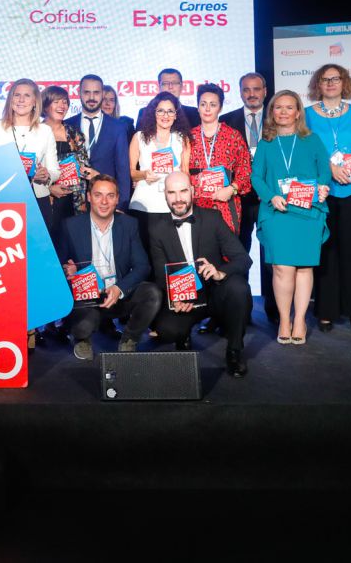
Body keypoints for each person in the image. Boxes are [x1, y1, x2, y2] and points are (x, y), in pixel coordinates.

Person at [149, 172, 253, 376]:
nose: (178, 198)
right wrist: (176, 298)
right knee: (167, 329)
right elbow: (161, 274)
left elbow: (243, 259)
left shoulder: (212, 218)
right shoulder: (156, 228)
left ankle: (234, 351)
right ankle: (183, 335)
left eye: (183, 191)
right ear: (165, 196)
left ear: (193, 192)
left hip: (214, 293)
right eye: (172, 193)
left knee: (239, 288)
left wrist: (220, 273)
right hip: (184, 298)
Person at [251, 90, 332, 345]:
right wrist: (270, 196)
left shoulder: (312, 139)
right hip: (278, 210)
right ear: (271, 112)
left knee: (304, 266)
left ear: (298, 113)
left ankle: (300, 320)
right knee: (282, 267)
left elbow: (324, 171)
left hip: (308, 210)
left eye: (289, 107)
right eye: (278, 107)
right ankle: (285, 319)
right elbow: (256, 177)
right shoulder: (265, 142)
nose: (283, 112)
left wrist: (323, 186)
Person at [55, 175, 159, 360]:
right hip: (87, 297)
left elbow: (143, 266)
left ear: (117, 198)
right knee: (83, 326)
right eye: (98, 195)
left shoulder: (129, 224)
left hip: (118, 292)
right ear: (88, 197)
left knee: (152, 293)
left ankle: (129, 339)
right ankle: (82, 339)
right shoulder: (70, 226)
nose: (104, 202)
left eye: (110, 196)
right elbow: (58, 268)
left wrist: (119, 288)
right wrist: (66, 271)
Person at [303, 64, 351, 333]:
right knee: (325, 252)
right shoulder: (306, 116)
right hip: (322, 191)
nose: (330, 83)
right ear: (317, 85)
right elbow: (306, 152)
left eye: (335, 78)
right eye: (324, 79)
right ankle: (326, 311)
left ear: (344, 82)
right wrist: (329, 169)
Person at [219, 71, 275, 323]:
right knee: (236, 254)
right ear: (240, 92)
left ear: (264, 91)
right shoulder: (226, 120)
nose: (251, 94)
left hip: (269, 198)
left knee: (272, 255)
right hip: (237, 198)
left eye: (256, 89)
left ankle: (275, 310)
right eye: (246, 90)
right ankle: (238, 312)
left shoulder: (279, 118)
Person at [0, 78, 60, 223]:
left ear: (35, 101)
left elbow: (55, 171)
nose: (21, 100)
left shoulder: (45, 130)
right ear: (10, 100)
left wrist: (46, 175)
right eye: (17, 95)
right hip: (4, 198)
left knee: (37, 245)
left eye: (27, 95)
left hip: (38, 199)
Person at [127, 91, 192, 252]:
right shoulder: (139, 137)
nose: (165, 115)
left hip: (172, 205)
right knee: (145, 254)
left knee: (171, 255)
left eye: (170, 111)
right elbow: (131, 172)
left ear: (176, 115)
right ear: (153, 113)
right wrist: (144, 174)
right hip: (144, 205)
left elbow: (185, 172)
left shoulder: (182, 139)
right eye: (160, 110)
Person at [188, 82, 251, 235]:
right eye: (203, 104)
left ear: (220, 108)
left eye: (213, 104)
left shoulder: (233, 136)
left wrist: (231, 189)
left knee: (226, 255)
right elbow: (180, 172)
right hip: (196, 205)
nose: (207, 109)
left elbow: (245, 172)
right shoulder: (188, 137)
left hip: (225, 204)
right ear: (197, 107)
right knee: (198, 254)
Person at [68, 74, 131, 211]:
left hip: (106, 201)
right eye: (87, 92)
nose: (91, 97)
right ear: (79, 93)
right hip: (71, 201)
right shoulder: (67, 125)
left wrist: (121, 206)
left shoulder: (118, 127)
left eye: (96, 92)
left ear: (102, 93)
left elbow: (123, 169)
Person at [41, 85, 88, 238]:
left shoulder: (74, 133)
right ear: (45, 105)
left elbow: (84, 166)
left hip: (73, 200)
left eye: (65, 102)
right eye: (56, 102)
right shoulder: (34, 133)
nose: (62, 106)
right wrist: (49, 188)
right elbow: (27, 170)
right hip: (45, 200)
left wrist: (90, 172)